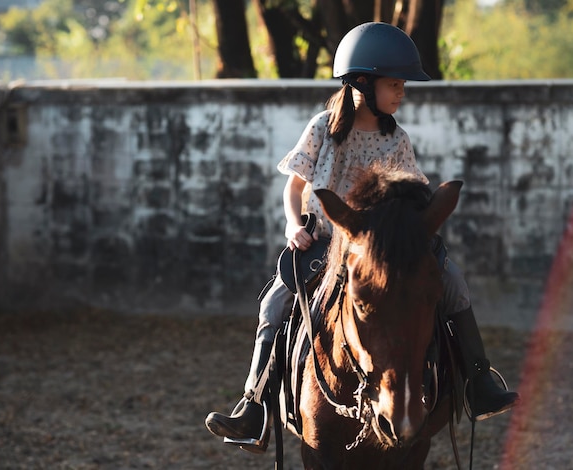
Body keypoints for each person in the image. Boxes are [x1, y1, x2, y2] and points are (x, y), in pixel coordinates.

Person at [205, 22, 519, 452]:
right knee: (274, 302)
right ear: (361, 84)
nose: (401, 93)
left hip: (383, 247)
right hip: (321, 240)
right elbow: (294, 187)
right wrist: (292, 225)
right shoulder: (321, 129)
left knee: (454, 284)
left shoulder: (398, 138)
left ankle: (480, 380)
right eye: (394, 85)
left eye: (402, 85)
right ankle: (254, 405)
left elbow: (414, 192)